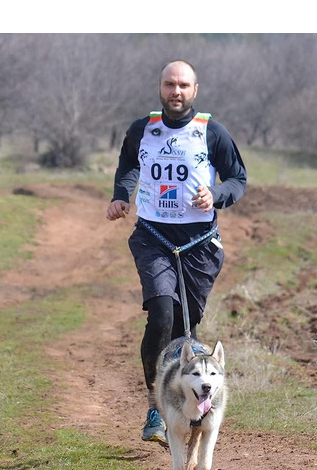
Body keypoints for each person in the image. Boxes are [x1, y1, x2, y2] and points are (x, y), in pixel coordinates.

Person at [106, 59, 247, 445]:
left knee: (187, 326)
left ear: (195, 90)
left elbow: (238, 179)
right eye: (170, 84)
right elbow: (127, 165)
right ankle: (155, 405)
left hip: (199, 244)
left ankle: (188, 406)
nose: (176, 92)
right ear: (160, 87)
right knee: (162, 315)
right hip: (153, 237)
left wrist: (215, 195)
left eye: (183, 85)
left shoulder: (211, 133)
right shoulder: (143, 130)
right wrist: (121, 196)